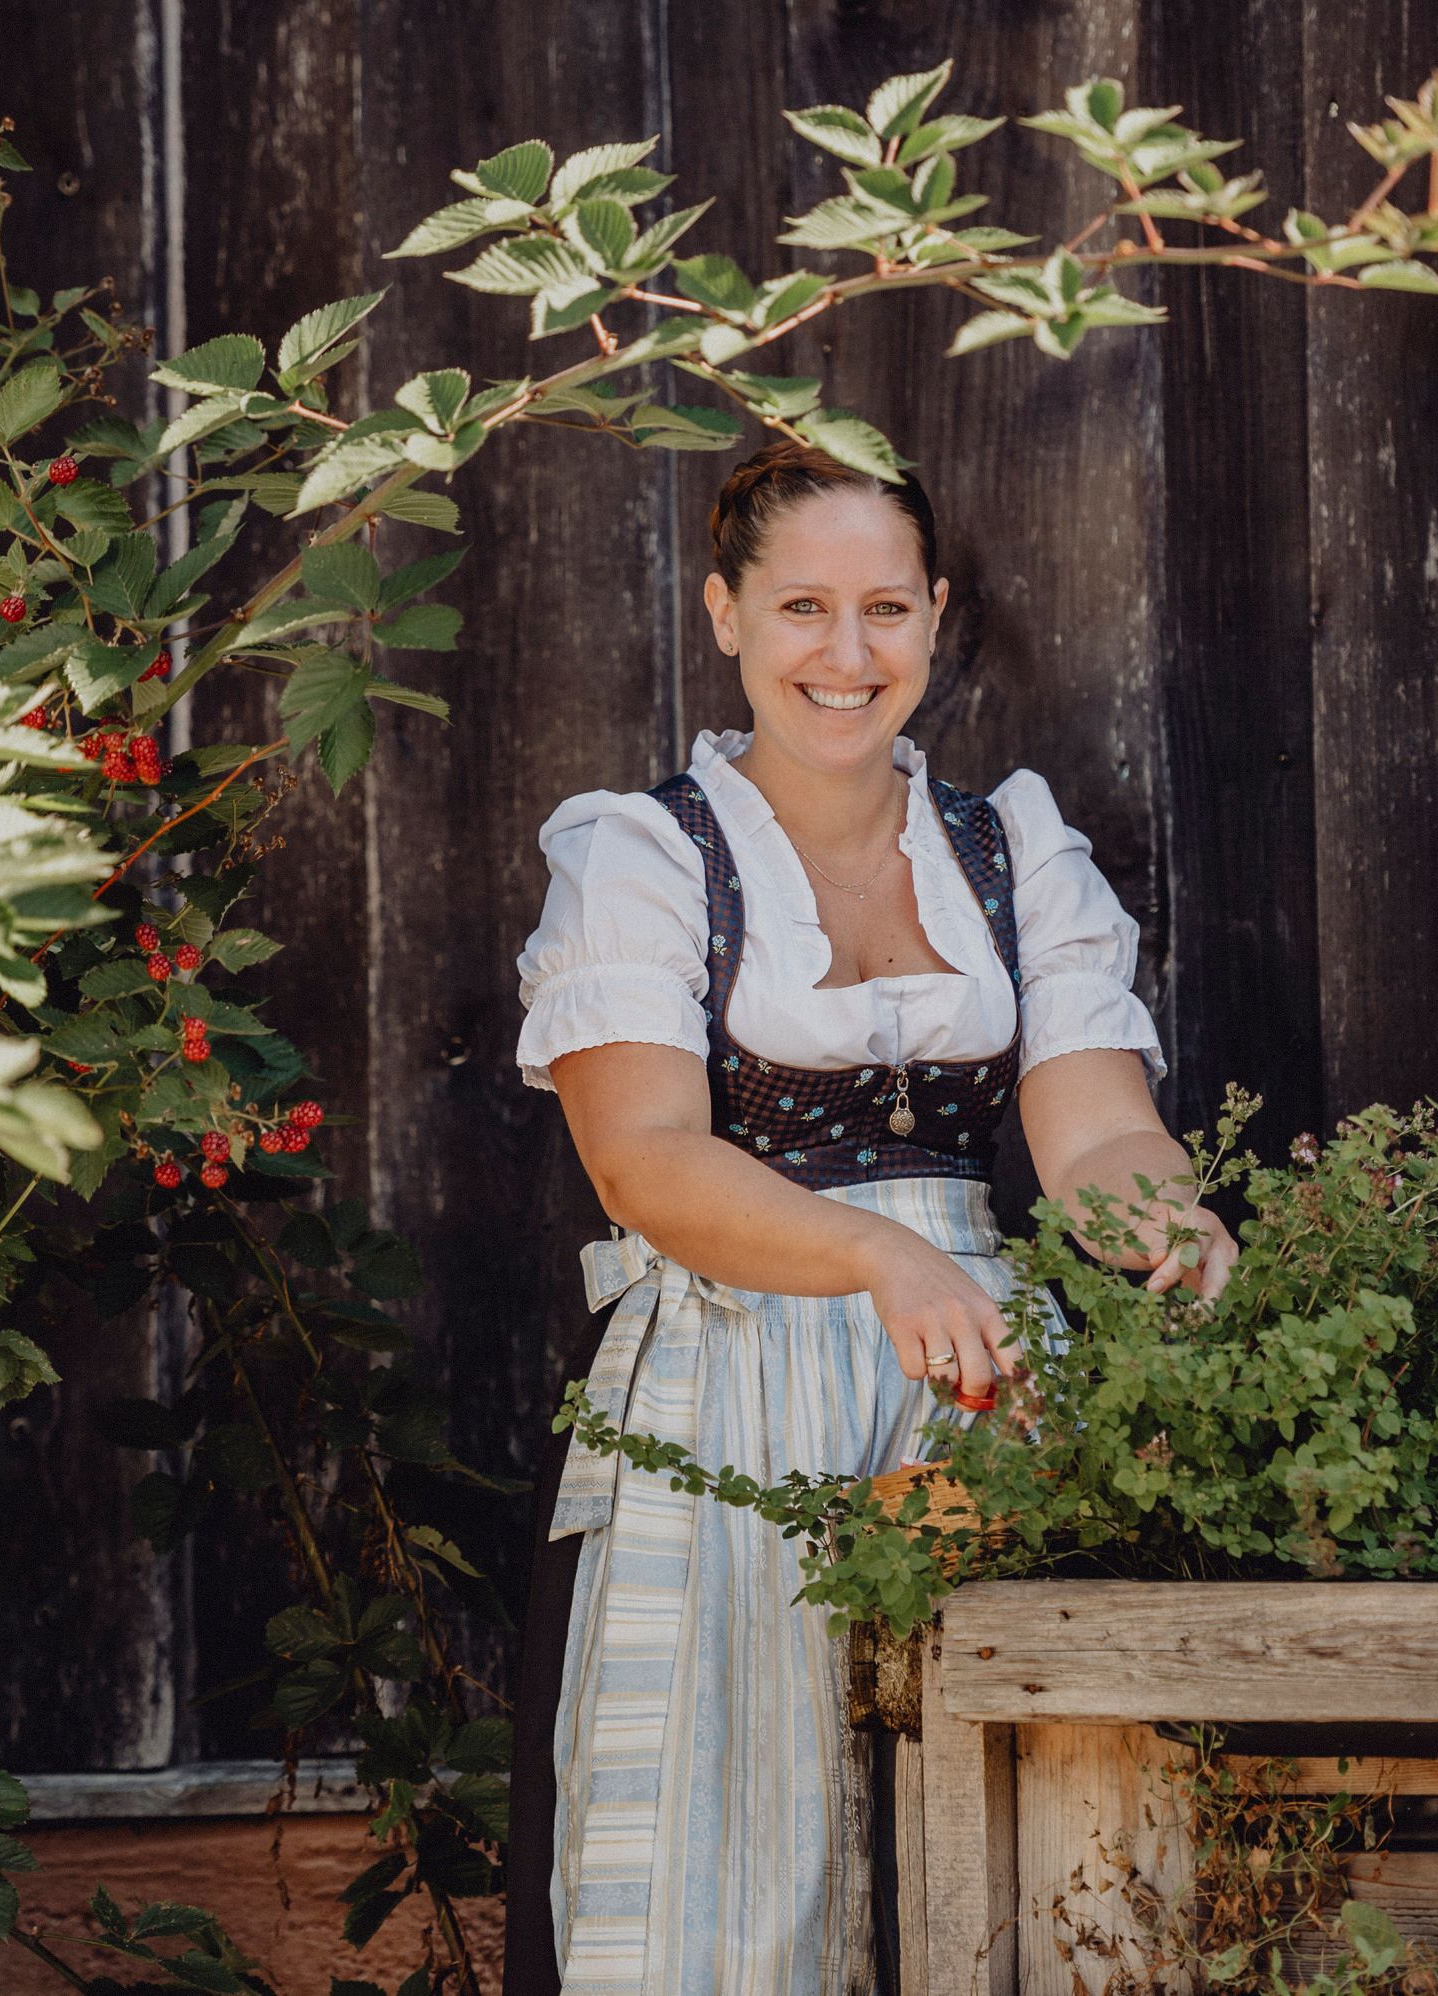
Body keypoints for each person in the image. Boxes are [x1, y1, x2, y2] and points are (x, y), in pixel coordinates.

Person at [502, 438, 1240, 1996]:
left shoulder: (1008, 848)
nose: (848, 657)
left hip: (981, 1398)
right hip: (730, 1398)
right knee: (738, 1876)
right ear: (724, 615)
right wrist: (878, 1252)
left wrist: (1169, 1221)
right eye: (803, 610)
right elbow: (644, 1162)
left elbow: (1097, 1122)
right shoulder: (646, 856)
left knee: (1005, 1869)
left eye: (886, 610)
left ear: (937, 616)